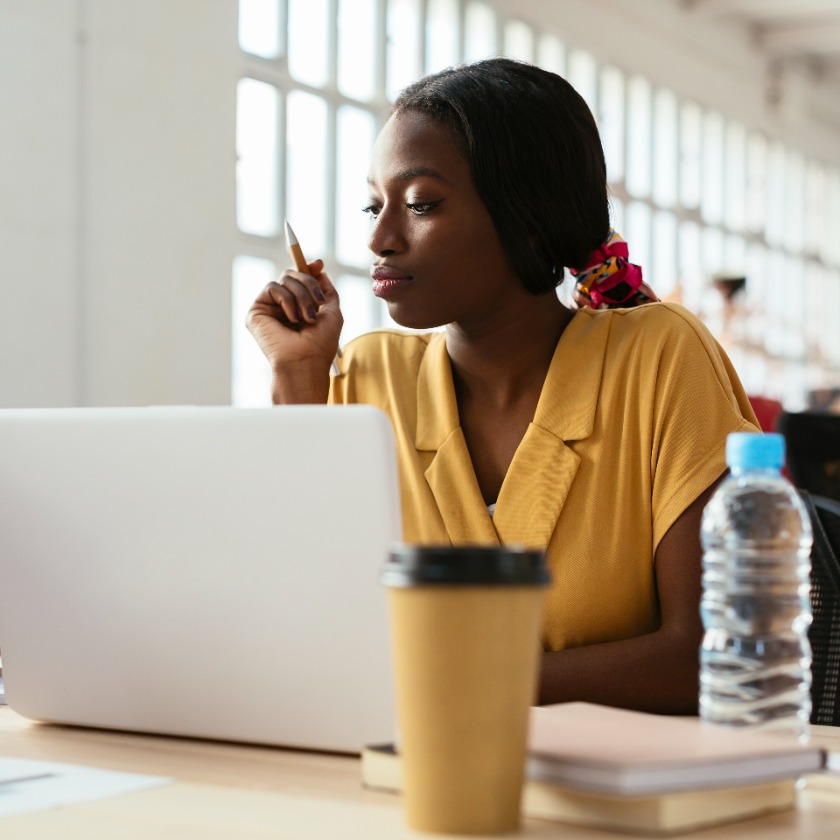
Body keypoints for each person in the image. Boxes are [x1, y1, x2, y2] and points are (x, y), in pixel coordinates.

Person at [246, 58, 759, 714]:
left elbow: (711, 658)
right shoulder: (368, 375)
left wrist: (456, 680)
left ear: (529, 216)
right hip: (406, 780)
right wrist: (296, 375)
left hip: (613, 794)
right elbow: (298, 623)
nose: (380, 237)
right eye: (375, 205)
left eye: (422, 204)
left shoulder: (659, 355)